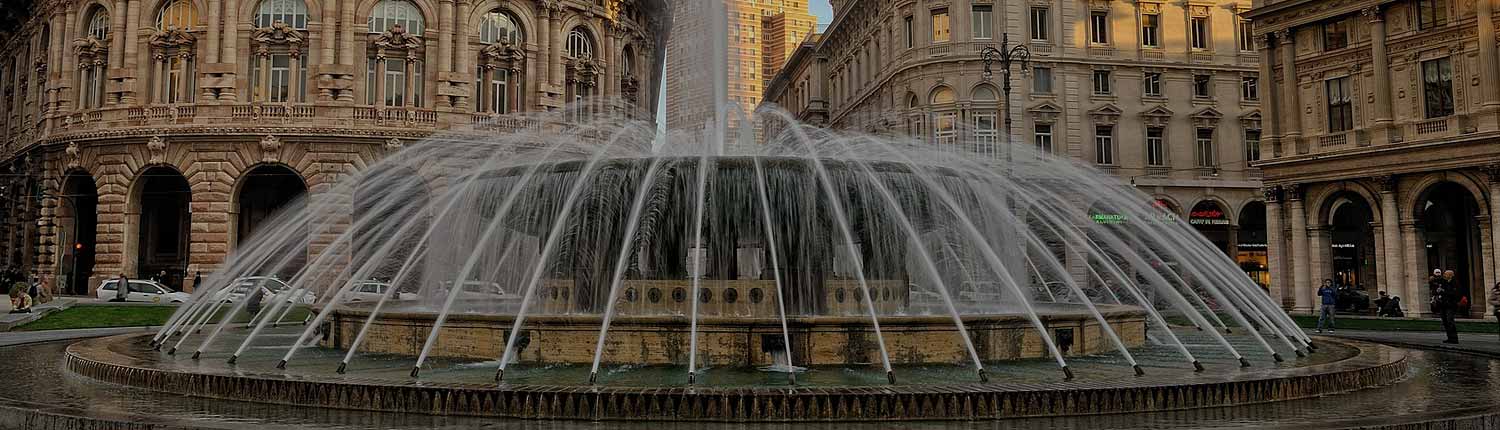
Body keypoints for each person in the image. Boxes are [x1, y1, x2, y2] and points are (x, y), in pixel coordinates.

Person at [1435, 270, 1459, 344]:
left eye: (1445, 274)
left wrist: (1442, 291)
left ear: (1450, 275)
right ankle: (1449, 337)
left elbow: (1453, 294)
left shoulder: (1454, 283)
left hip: (1450, 305)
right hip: (1443, 304)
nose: (1444, 275)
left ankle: (1454, 338)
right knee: (1445, 321)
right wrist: (1438, 291)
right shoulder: (1444, 282)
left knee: (1450, 321)